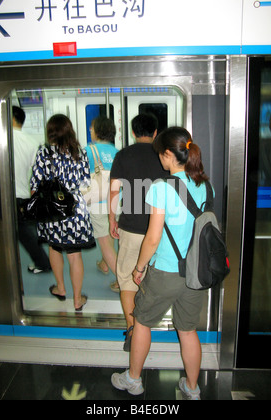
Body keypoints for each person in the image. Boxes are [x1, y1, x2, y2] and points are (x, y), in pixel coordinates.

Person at [111, 127, 209, 400]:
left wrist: (139, 268)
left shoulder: (162, 188)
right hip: (195, 273)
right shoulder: (204, 185)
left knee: (141, 322)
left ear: (169, 154)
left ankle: (133, 380)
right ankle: (191, 388)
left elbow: (152, 238)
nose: (160, 161)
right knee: (188, 330)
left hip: (166, 270)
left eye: (161, 156)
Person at [109, 114, 168, 351]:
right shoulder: (164, 155)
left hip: (131, 228)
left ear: (133, 133)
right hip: (160, 230)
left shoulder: (123, 155)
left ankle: (133, 328)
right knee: (152, 280)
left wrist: (112, 218)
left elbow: (114, 191)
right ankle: (146, 328)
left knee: (126, 281)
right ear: (155, 132)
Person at [30, 114, 95, 311]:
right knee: (75, 254)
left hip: (52, 209)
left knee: (54, 247)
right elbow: (86, 183)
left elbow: (35, 185)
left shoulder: (44, 153)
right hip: (75, 208)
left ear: (50, 131)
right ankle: (77, 299)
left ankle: (60, 288)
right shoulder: (80, 153)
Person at [12, 106, 51, 274]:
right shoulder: (32, 142)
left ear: (11, 118)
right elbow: (36, 171)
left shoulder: (2, 138)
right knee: (27, 232)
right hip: (24, 194)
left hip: (7, 195)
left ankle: (43, 263)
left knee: (25, 234)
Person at [85, 116, 119, 292]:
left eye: (92, 128)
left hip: (98, 202)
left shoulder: (88, 151)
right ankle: (104, 264)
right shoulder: (118, 152)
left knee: (104, 241)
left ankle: (122, 282)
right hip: (117, 201)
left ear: (97, 131)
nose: (90, 131)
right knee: (111, 233)